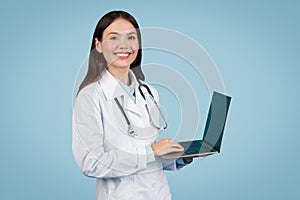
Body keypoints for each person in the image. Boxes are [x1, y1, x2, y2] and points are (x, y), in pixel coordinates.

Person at [72, 10, 192, 200]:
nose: (124, 45)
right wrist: (150, 152)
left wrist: (178, 157)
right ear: (99, 45)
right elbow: (91, 163)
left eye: (131, 37)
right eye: (114, 38)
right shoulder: (90, 96)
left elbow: (149, 155)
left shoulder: (149, 92)